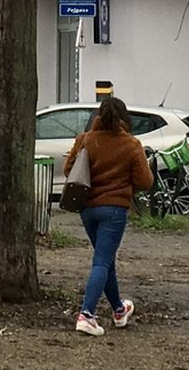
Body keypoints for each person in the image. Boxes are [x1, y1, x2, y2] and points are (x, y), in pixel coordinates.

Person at [64, 96, 153, 336]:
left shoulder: (85, 140)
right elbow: (145, 181)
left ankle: (118, 309)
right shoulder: (131, 144)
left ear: (98, 116)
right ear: (124, 119)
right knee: (102, 261)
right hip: (114, 210)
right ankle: (87, 315)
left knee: (105, 259)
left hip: (87, 209)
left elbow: (68, 170)